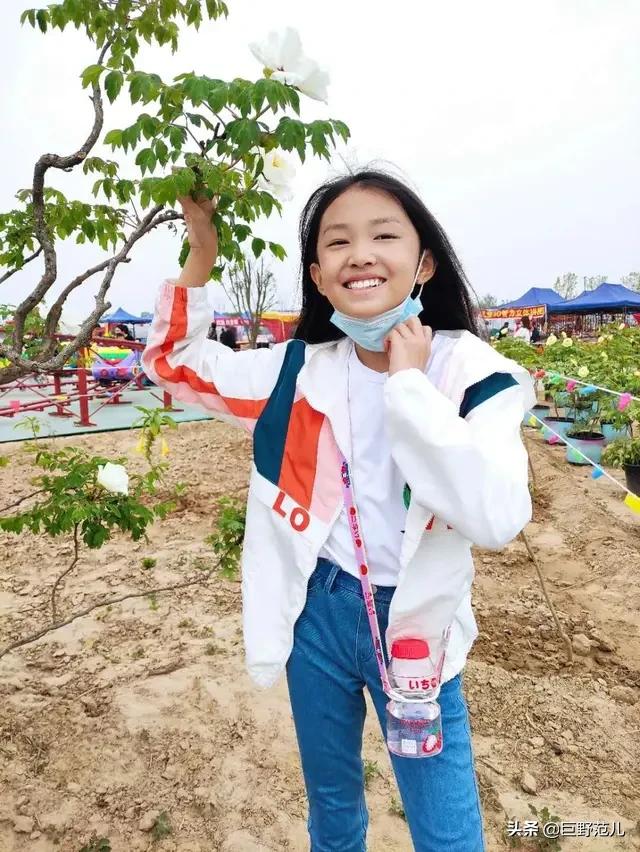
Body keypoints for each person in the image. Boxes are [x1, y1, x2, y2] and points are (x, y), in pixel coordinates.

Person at [141, 169, 534, 852]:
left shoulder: (470, 374)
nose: (361, 254)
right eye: (338, 242)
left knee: (445, 829)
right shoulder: (295, 372)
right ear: (319, 277)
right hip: (317, 614)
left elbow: (496, 515)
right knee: (331, 805)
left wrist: (409, 387)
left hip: (412, 620)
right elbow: (174, 364)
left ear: (424, 262)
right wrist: (201, 252)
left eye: (384, 235)